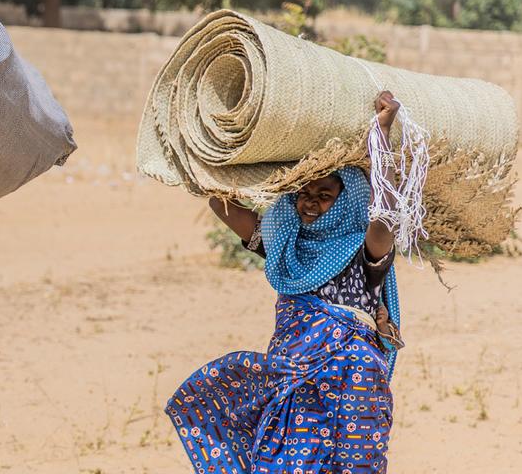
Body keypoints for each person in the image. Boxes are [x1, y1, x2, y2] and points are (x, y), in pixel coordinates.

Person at [166, 91, 406, 473]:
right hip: (292, 382)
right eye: (303, 193)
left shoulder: (364, 249)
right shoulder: (286, 248)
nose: (310, 202)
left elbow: (386, 217)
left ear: (348, 200)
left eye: (325, 195)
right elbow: (219, 204)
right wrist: (222, 146)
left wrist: (381, 137)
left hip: (353, 384)